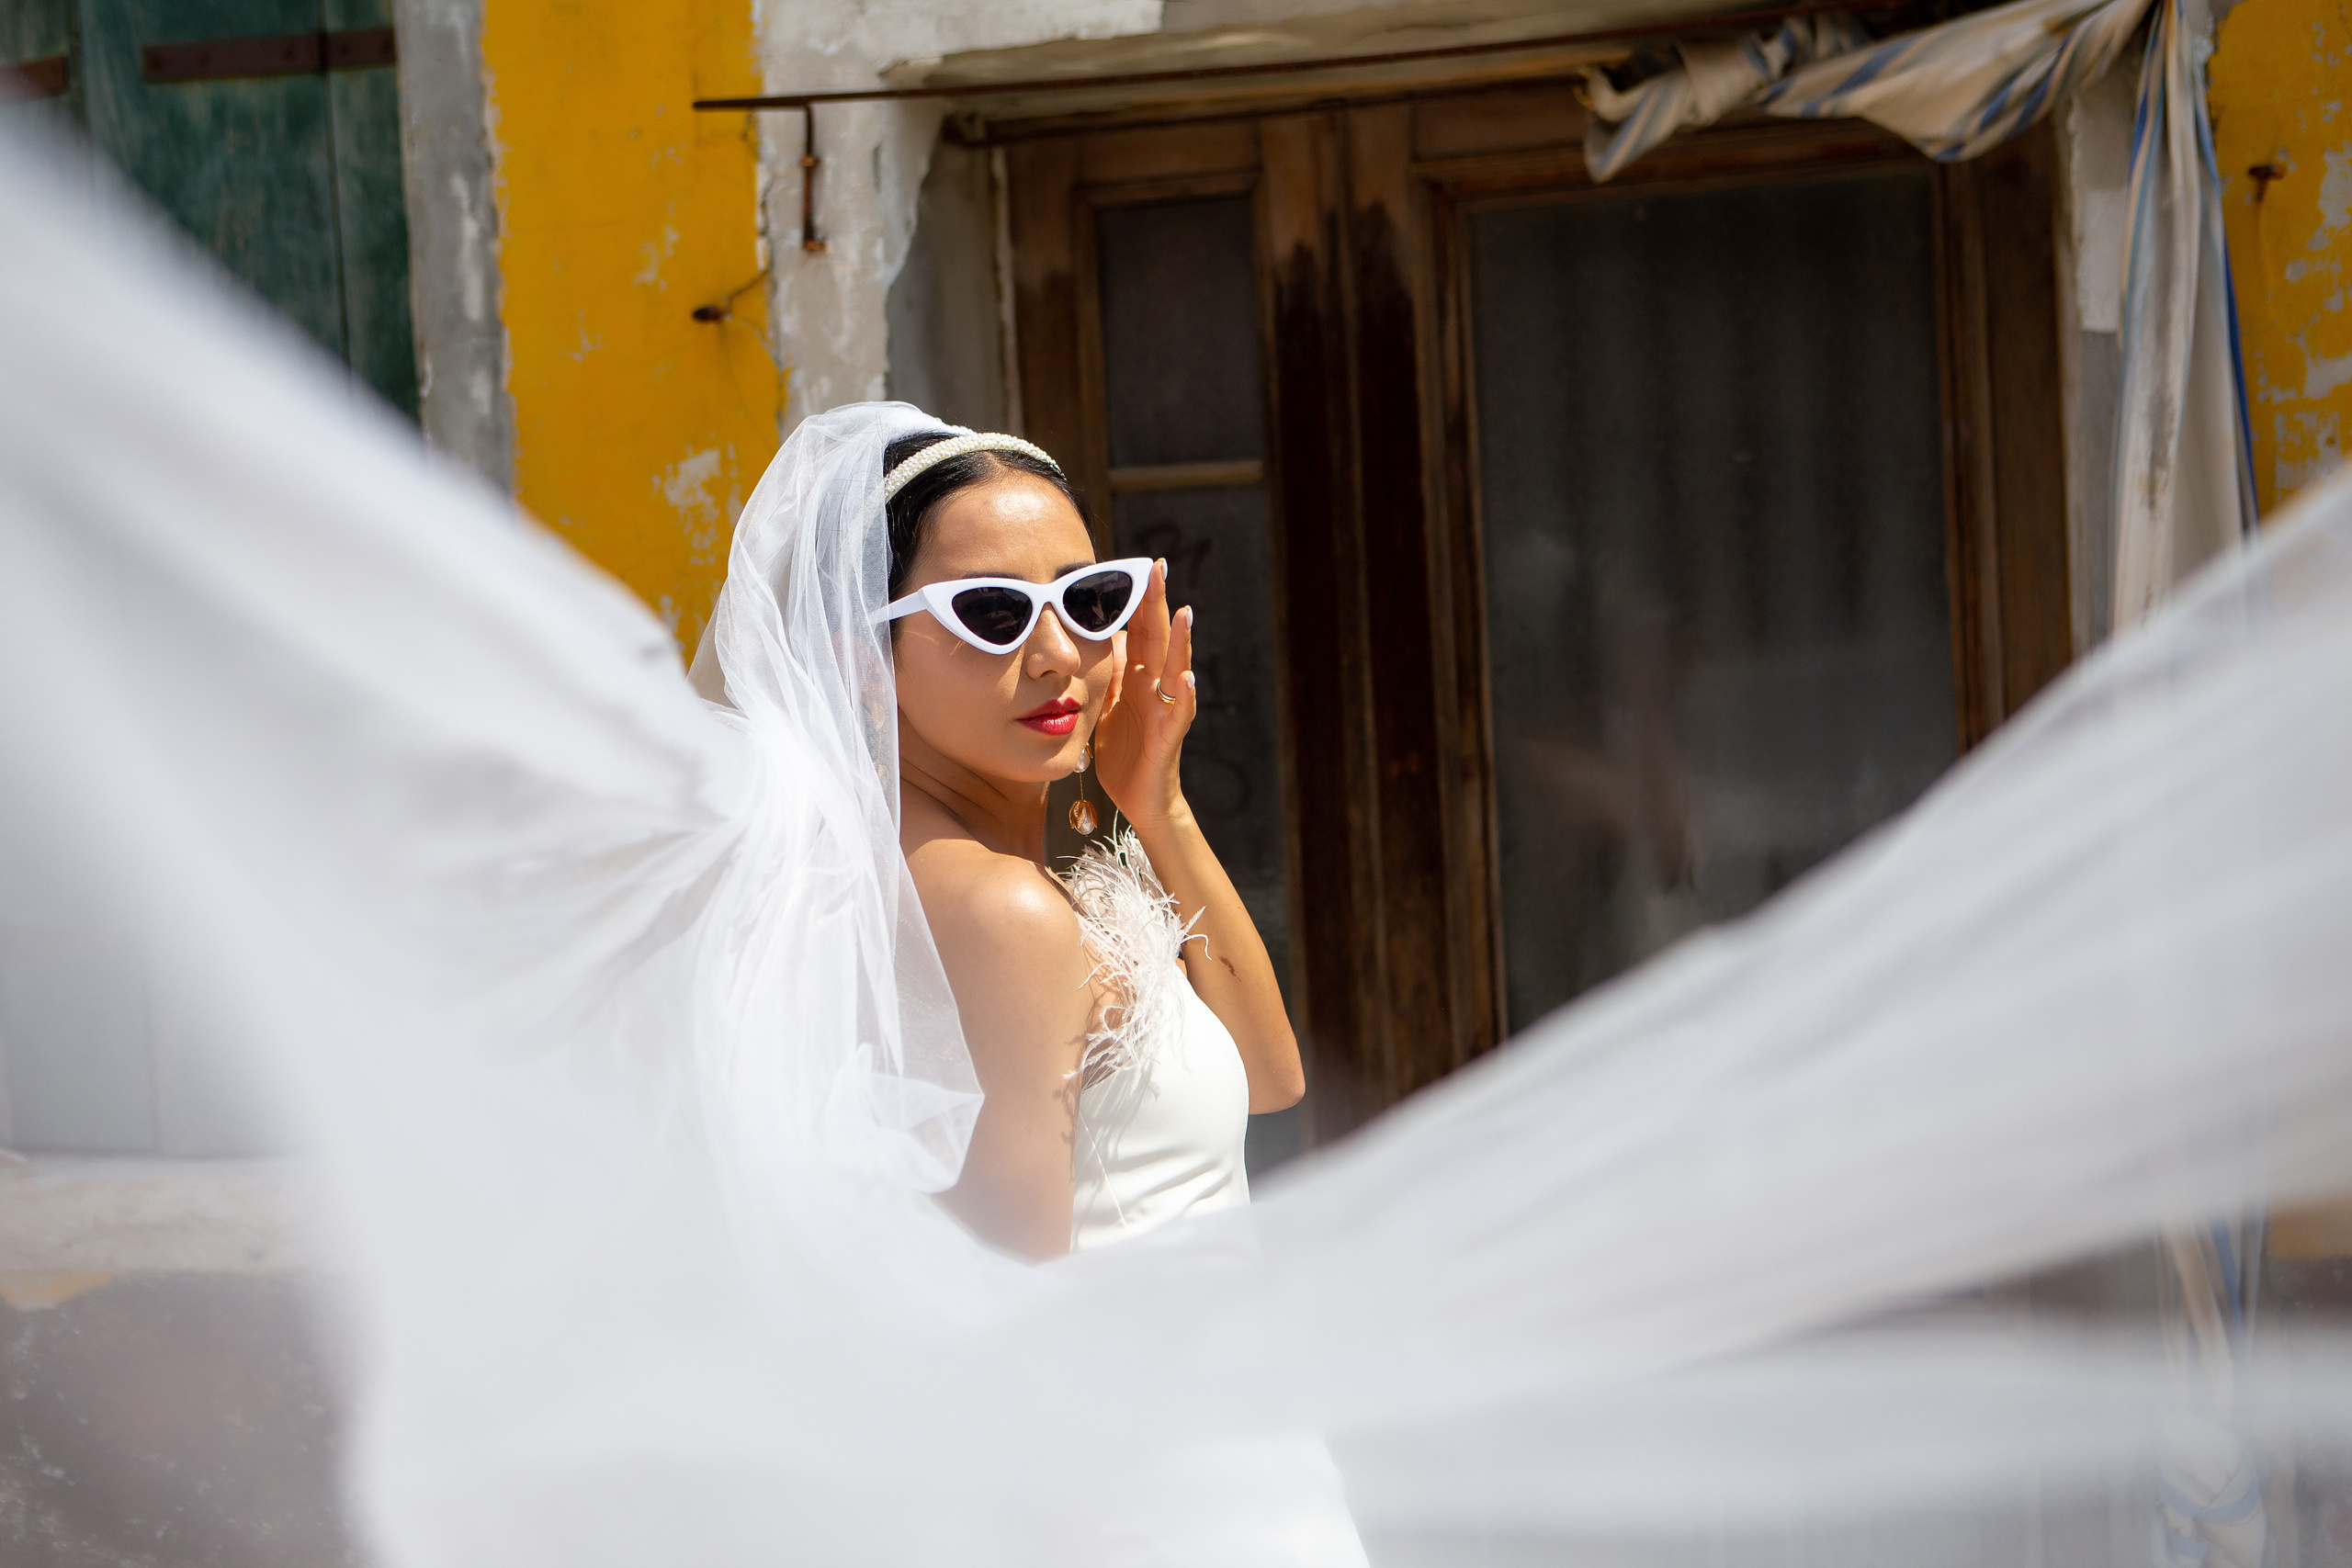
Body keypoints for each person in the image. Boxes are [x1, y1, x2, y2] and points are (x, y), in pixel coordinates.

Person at [870, 429, 1304, 1259]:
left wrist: (1158, 803)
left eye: (1091, 600)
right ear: (864, 654)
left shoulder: (988, 873)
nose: (1059, 654)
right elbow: (1019, 1308)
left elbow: (1271, 1075)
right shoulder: (1000, 909)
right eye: (991, 613)